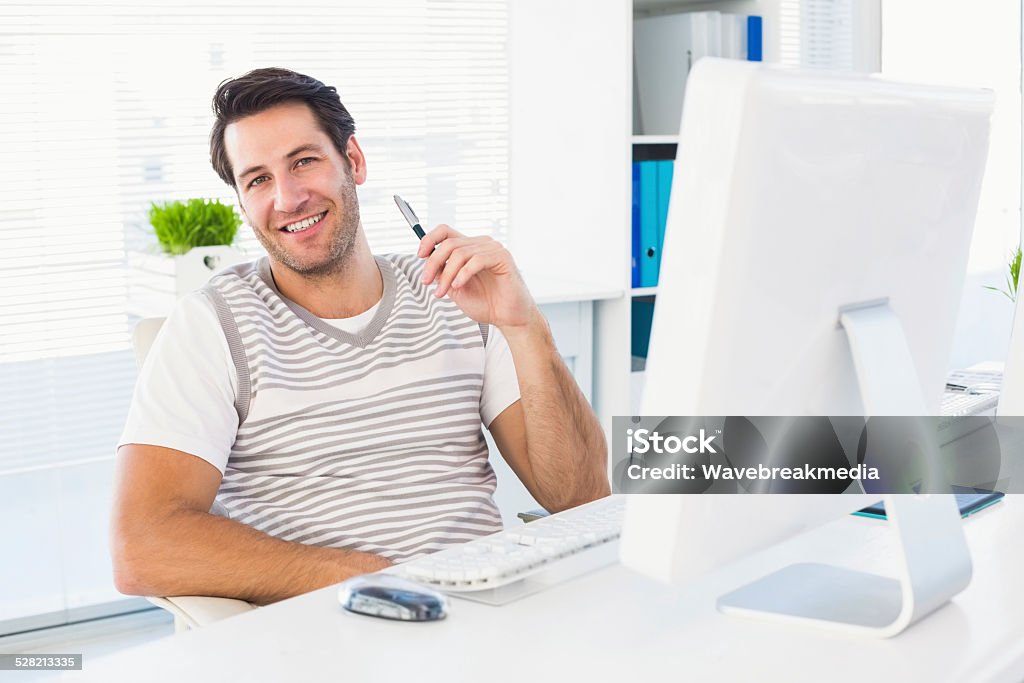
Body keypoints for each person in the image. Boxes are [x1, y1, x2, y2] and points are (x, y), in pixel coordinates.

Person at [110, 67, 609, 606]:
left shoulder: (455, 294)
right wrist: (389, 580)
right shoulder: (211, 327)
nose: (288, 197)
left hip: (489, 619)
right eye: (257, 179)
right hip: (335, 630)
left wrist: (523, 326)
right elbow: (142, 547)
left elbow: (582, 496)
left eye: (304, 161)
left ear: (354, 160)